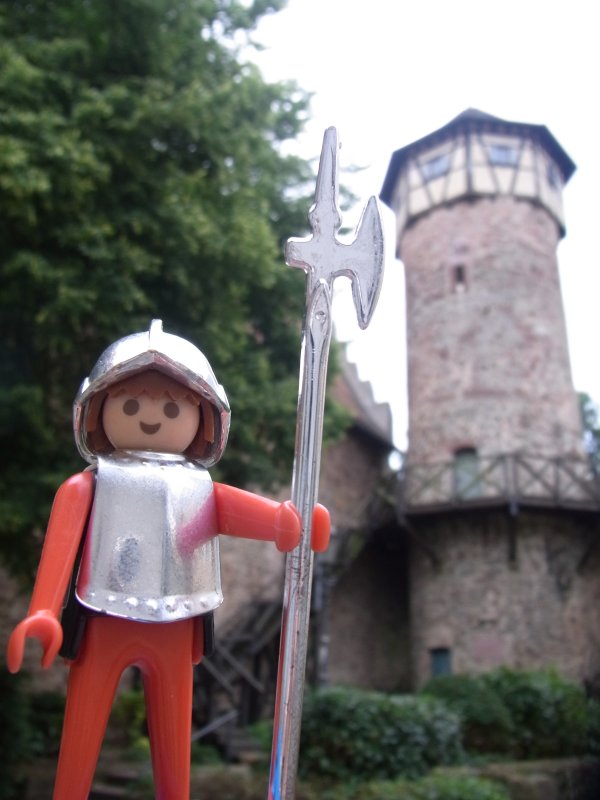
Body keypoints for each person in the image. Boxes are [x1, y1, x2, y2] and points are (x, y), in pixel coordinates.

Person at [7, 320, 329, 800]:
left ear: (205, 418)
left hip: (178, 624)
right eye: (130, 405)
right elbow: (61, 544)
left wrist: (291, 525)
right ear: (96, 410)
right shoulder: (89, 484)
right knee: (80, 740)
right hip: (102, 617)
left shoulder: (201, 489)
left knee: (174, 749)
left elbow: (251, 516)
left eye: (173, 407)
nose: (151, 418)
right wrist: (42, 612)